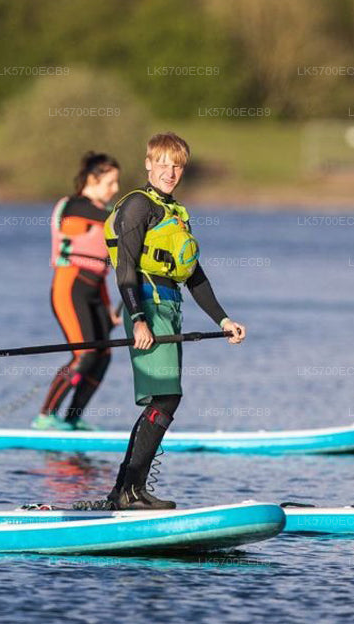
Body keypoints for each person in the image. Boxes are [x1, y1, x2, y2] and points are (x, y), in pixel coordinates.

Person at [98, 132, 246, 510]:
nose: (170, 171)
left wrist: (223, 320)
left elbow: (194, 276)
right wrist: (138, 320)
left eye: (177, 165)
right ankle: (127, 490)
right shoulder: (137, 205)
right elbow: (125, 268)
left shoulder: (176, 214)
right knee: (165, 396)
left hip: (170, 307)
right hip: (146, 305)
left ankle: (128, 489)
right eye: (163, 163)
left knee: (166, 397)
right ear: (149, 164)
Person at [35, 152, 122, 431]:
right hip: (69, 288)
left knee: (103, 355)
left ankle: (72, 418)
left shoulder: (103, 215)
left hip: (95, 291)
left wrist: (109, 307)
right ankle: (46, 417)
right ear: (93, 179)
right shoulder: (74, 206)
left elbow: (101, 270)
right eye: (111, 182)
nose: (115, 189)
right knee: (84, 354)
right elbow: (112, 219)